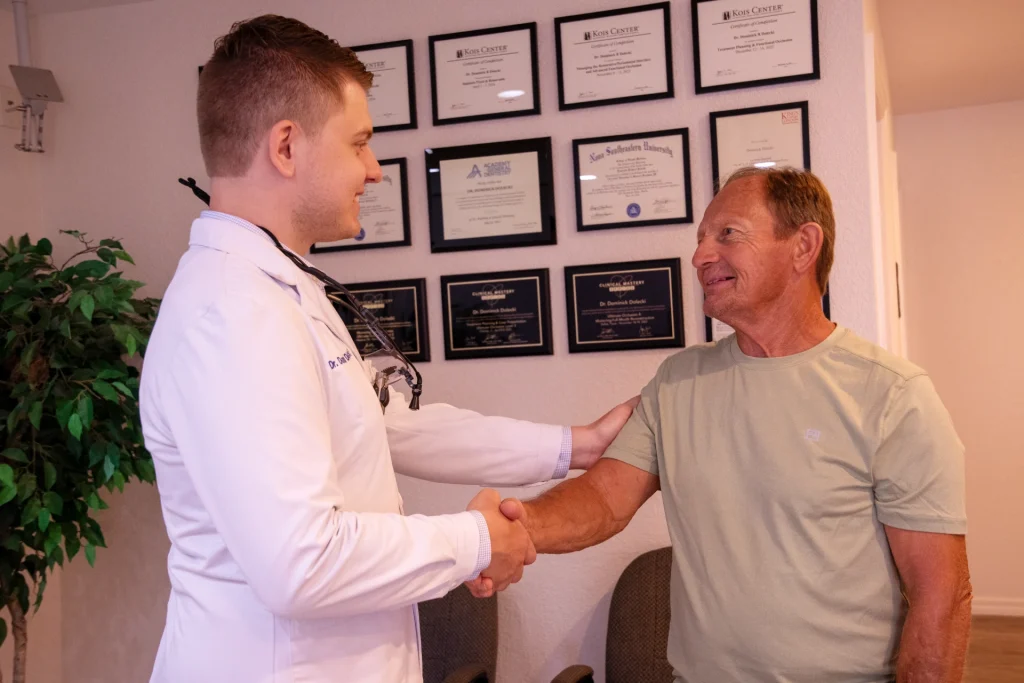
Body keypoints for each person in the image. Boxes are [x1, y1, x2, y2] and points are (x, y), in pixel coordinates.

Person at [139, 14, 635, 683]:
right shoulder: (232, 312)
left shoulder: (278, 290)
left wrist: (577, 446)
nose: (373, 171)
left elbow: (382, 424)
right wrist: (476, 539)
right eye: (360, 143)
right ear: (286, 147)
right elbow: (301, 562)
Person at [472, 167, 973, 683]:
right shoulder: (678, 380)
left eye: (728, 234)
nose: (700, 257)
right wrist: (512, 528)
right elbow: (603, 499)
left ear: (803, 246)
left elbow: (942, 595)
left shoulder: (891, 395)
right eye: (700, 239)